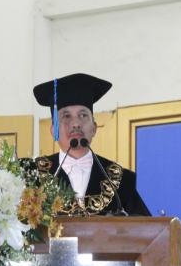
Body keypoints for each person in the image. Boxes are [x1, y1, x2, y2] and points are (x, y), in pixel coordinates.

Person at [33, 73, 150, 216]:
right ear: (53, 130)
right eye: (66, 116)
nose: (76, 123)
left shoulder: (124, 181)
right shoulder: (33, 176)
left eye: (83, 115)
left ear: (94, 128)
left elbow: (145, 227)